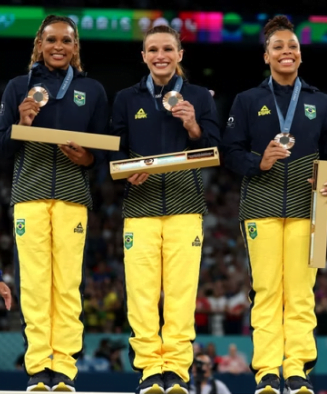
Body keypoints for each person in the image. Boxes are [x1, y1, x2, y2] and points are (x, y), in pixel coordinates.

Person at [221, 15, 327, 394]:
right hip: (261, 205)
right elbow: (229, 153)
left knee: (302, 292)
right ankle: (268, 371)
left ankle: (298, 369)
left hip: (311, 207)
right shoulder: (248, 100)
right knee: (268, 290)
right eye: (278, 47)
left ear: (300, 55)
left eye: (292, 47)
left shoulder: (320, 101)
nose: (286, 52)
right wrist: (261, 162)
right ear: (266, 56)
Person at [0, 14, 109, 391]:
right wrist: (22, 125)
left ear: (75, 47)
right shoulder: (17, 88)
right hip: (28, 195)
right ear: (39, 45)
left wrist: (87, 159)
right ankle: (37, 371)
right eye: (51, 40)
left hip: (73, 198)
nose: (58, 47)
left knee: (66, 284)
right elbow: (1, 149)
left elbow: (104, 152)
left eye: (66, 40)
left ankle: (63, 368)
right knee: (33, 284)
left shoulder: (92, 90)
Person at [110, 25, 220, 394]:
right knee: (141, 294)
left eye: (167, 49)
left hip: (186, 207)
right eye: (153, 49)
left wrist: (192, 125)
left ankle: (176, 371)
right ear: (143, 56)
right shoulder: (126, 98)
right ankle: (148, 371)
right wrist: (127, 172)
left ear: (180, 54)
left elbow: (214, 149)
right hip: (138, 208)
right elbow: (114, 151)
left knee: (181, 294)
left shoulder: (201, 97)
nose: (160, 55)